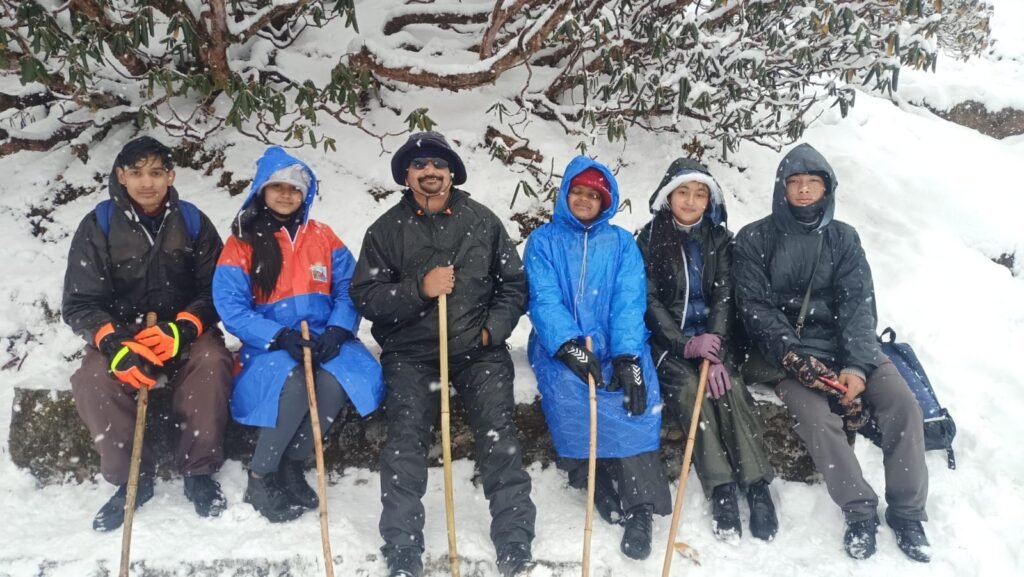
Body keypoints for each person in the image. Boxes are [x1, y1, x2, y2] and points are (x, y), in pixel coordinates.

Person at [350, 131, 537, 577]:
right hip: (411, 354)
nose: (429, 171)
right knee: (405, 441)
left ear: (452, 172)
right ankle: (402, 549)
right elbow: (366, 296)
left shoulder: (482, 222)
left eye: (438, 164)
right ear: (406, 176)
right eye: (419, 165)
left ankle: (514, 541)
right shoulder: (385, 230)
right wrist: (419, 289)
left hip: (477, 351)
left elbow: (513, 285)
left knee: (499, 437)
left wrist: (492, 330)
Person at [733, 143, 930, 562]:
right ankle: (859, 510)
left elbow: (859, 305)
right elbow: (755, 309)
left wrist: (857, 366)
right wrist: (795, 358)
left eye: (813, 182)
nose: (804, 190)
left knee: (903, 404)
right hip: (788, 355)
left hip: (846, 348)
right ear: (782, 188)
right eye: (795, 182)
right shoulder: (754, 238)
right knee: (818, 419)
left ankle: (908, 511)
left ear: (827, 188)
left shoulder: (843, 238)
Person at [62, 136, 232, 531]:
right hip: (123, 334)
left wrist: (183, 328)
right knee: (92, 380)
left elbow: (218, 289)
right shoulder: (99, 224)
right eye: (137, 173)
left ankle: (199, 470)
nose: (147, 182)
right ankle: (130, 479)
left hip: (181, 331)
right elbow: (80, 302)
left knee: (212, 363)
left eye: (156, 172)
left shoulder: (193, 221)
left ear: (171, 176)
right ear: (121, 176)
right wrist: (113, 343)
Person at [213, 146, 384, 523]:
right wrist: (277, 336)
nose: (286, 195)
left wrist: (338, 328)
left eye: (295, 189)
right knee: (291, 383)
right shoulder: (242, 243)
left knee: (333, 384)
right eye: (278, 187)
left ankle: (293, 464)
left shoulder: (323, 236)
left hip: (324, 335)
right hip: (271, 343)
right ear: (262, 189)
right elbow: (231, 305)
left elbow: (349, 286)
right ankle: (262, 473)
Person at [524, 156, 671, 561]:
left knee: (633, 399)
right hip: (559, 343)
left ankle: (641, 505)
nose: (585, 199)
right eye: (578, 191)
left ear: (606, 202)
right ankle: (592, 478)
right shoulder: (543, 241)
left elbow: (628, 301)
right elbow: (543, 298)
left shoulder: (621, 243)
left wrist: (626, 355)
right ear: (565, 194)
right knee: (568, 391)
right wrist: (568, 344)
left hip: (615, 340)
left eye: (594, 195)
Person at [637, 158, 778, 541]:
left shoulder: (720, 240)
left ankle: (757, 486)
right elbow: (649, 301)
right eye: (683, 192)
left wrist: (713, 350)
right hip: (669, 345)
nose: (691, 201)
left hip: (715, 341)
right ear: (668, 196)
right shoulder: (648, 240)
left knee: (727, 387)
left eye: (700, 194)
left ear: (709, 200)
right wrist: (685, 344)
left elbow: (724, 297)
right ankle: (722, 488)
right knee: (688, 390)